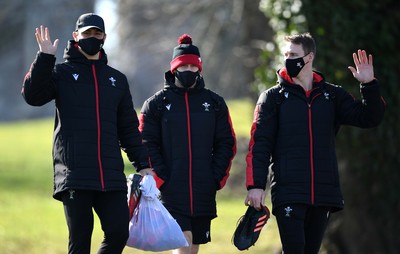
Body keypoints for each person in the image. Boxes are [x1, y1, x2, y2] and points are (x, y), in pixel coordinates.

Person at [22, 13, 152, 254]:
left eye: (97, 33)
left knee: (118, 232)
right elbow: (32, 96)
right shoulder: (60, 73)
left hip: (111, 175)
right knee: (80, 241)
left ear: (104, 37)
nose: (92, 37)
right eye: (87, 33)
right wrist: (45, 58)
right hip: (74, 174)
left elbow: (128, 128)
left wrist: (143, 163)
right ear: (76, 36)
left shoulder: (117, 79)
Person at [244, 32, 385, 254]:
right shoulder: (273, 98)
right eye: (286, 54)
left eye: (293, 54)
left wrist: (368, 84)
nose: (288, 59)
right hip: (288, 191)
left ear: (309, 58)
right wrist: (255, 186)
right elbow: (259, 144)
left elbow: (369, 117)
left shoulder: (332, 96)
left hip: (323, 193)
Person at [139, 34, 237, 254]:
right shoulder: (156, 104)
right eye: (184, 65)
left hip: (204, 190)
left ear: (200, 69)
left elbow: (226, 143)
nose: (189, 70)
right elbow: (145, 142)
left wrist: (215, 177)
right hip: (171, 190)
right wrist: (162, 178)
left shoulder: (214, 103)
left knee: (192, 248)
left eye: (194, 66)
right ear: (174, 68)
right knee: (182, 243)